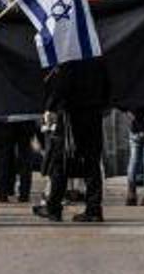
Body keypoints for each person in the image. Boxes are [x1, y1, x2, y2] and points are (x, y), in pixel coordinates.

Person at [33, 56, 110, 223]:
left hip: (71, 116)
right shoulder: (98, 60)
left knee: (60, 162)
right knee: (92, 162)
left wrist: (50, 107)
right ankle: (94, 208)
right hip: (94, 114)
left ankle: (53, 207)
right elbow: (108, 87)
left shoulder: (69, 61)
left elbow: (61, 87)